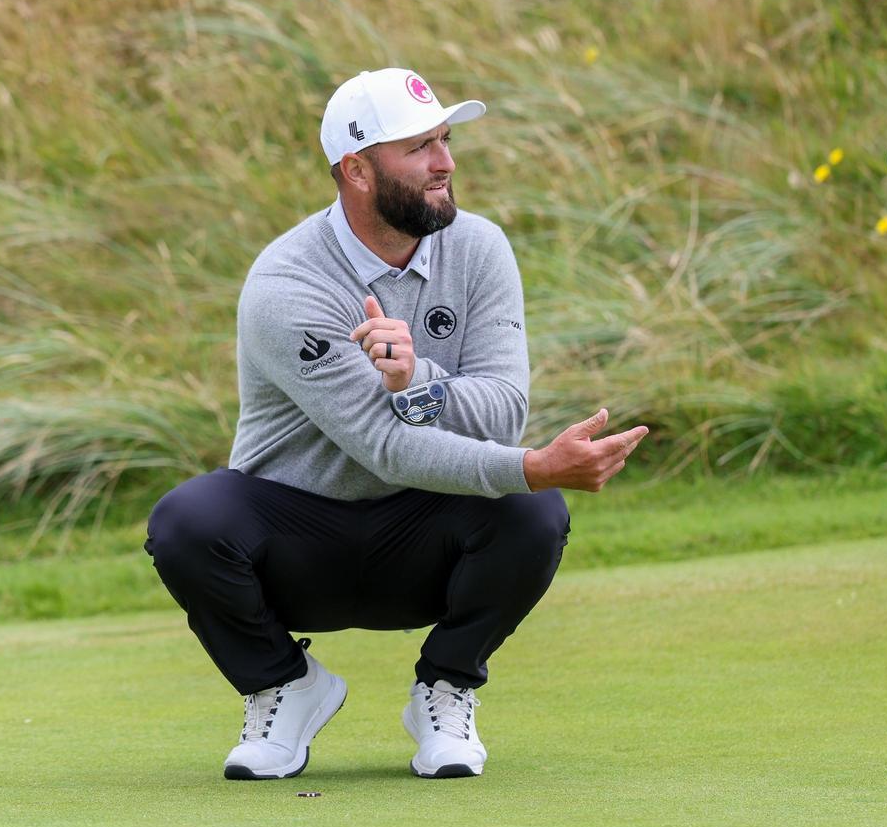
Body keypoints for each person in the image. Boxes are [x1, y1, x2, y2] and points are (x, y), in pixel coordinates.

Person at [144, 67, 649, 781]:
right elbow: (382, 448)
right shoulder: (287, 284)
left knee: (530, 515)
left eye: (444, 140)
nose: (445, 163)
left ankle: (445, 688)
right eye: (418, 148)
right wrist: (530, 464)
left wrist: (418, 380)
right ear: (356, 169)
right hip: (297, 544)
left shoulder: (478, 249)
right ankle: (282, 685)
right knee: (188, 519)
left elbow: (505, 409)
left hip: (425, 541)